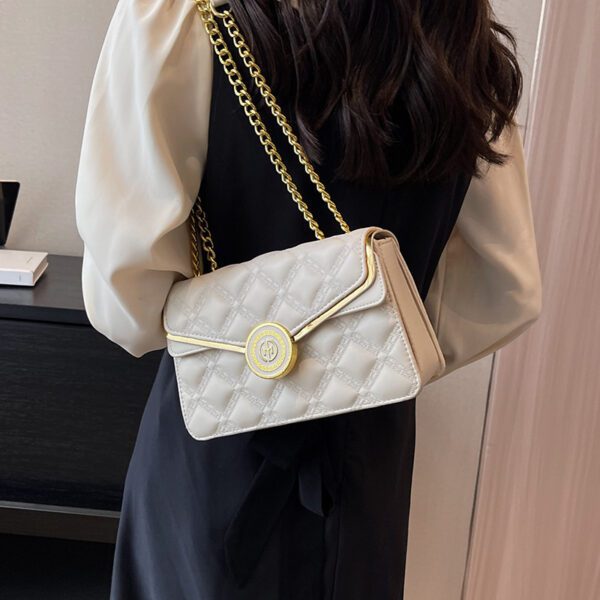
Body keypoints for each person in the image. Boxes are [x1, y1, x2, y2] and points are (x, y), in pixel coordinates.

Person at [75, 0, 542, 598]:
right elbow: (506, 290)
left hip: (219, 433)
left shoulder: (182, 18)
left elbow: (127, 303)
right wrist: (361, 350)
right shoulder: (460, 33)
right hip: (369, 452)